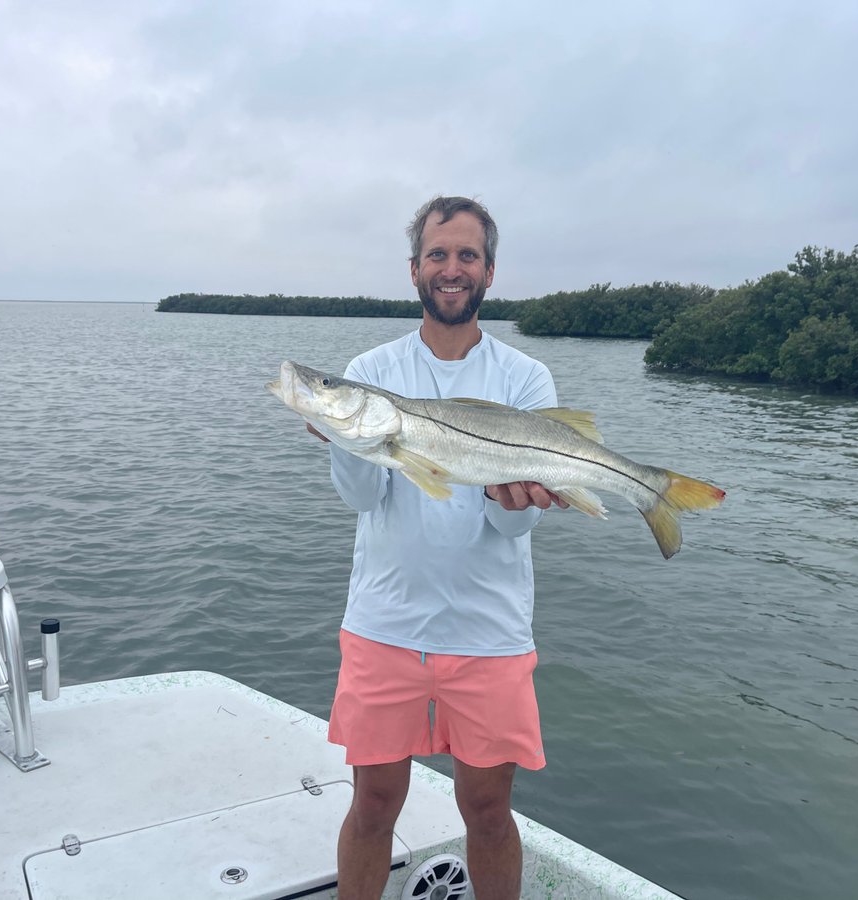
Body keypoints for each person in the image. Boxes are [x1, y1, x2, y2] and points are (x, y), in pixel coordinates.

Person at [309, 196, 567, 900]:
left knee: (487, 811)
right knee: (372, 808)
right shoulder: (371, 368)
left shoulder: (524, 379)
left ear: (488, 271)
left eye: (467, 255)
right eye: (438, 255)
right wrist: (344, 440)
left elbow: (514, 529)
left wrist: (507, 497)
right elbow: (364, 500)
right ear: (415, 269)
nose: (451, 269)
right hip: (384, 626)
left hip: (489, 632)